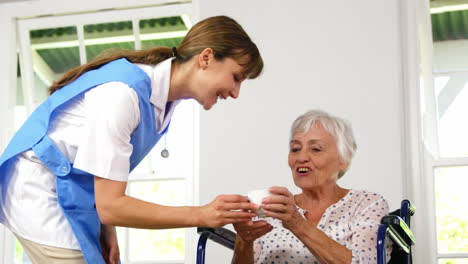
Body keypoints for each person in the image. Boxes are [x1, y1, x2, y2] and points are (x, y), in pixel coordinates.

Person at [0, 15, 263, 264]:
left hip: (74, 193)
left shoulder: (162, 103)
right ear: (206, 57)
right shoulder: (122, 95)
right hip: (37, 190)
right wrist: (202, 214)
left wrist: (106, 227)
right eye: (236, 77)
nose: (236, 92)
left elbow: (104, 176)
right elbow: (111, 205)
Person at [232, 110, 392, 264]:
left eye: (316, 149)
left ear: (344, 159)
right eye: (295, 149)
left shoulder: (366, 204)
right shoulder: (272, 210)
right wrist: (244, 242)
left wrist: (297, 223)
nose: (301, 157)